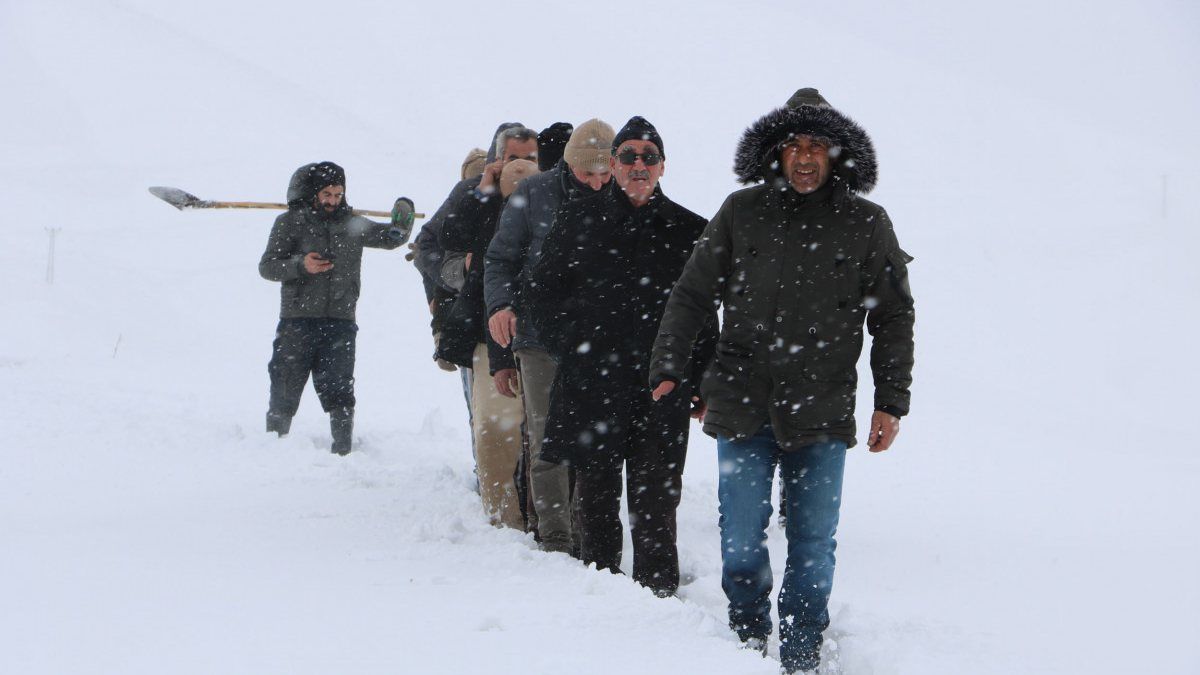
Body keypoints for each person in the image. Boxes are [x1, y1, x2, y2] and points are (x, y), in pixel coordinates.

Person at [648, 88, 916, 673]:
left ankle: (800, 654)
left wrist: (891, 402)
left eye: (817, 145)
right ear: (775, 152)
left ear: (836, 154)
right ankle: (747, 645)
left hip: (823, 410)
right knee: (742, 544)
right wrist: (670, 364)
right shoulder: (741, 212)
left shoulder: (866, 224)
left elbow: (893, 317)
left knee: (813, 547)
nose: (805, 156)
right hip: (742, 403)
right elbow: (692, 294)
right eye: (794, 144)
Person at [525, 117, 716, 596]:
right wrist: (574, 349)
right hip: (594, 384)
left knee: (657, 506)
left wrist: (701, 380)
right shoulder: (578, 218)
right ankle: (602, 598)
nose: (638, 165)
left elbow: (705, 316)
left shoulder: (688, 229)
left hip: (661, 387)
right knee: (595, 502)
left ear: (663, 166)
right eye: (628, 156)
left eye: (649, 157)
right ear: (612, 164)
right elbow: (541, 294)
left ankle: (659, 600)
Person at [484, 119, 616, 554]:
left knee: (594, 438)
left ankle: (588, 531)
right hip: (539, 335)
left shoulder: (619, 194)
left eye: (604, 173)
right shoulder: (533, 193)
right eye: (588, 172)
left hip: (600, 338)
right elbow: (499, 260)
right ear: (570, 163)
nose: (597, 182)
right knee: (546, 437)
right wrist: (501, 305)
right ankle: (556, 537)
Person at [259, 161, 413, 455]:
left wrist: (402, 222)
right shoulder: (290, 222)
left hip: (340, 321)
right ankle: (273, 448)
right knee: (285, 383)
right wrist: (300, 265)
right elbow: (267, 267)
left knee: (340, 388)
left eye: (338, 194)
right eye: (327, 194)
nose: (332, 201)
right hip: (297, 320)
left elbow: (390, 238)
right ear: (313, 193)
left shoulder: (352, 224)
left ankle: (342, 451)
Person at [438, 127, 540, 529]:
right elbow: (448, 237)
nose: (522, 166)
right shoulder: (479, 197)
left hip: (539, 334)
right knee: (494, 428)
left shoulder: (552, 198)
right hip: (486, 330)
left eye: (530, 158)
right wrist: (484, 191)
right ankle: (502, 518)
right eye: (513, 158)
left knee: (539, 429)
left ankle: (540, 517)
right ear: (497, 160)